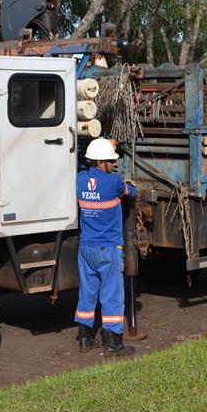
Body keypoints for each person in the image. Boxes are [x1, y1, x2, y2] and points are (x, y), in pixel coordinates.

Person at [74, 138, 137, 355]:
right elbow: (131, 192)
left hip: (86, 248)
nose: (114, 164)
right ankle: (113, 343)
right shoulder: (114, 182)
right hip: (108, 249)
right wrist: (131, 187)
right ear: (101, 162)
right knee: (112, 294)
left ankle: (84, 339)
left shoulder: (80, 180)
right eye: (111, 161)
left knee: (87, 292)